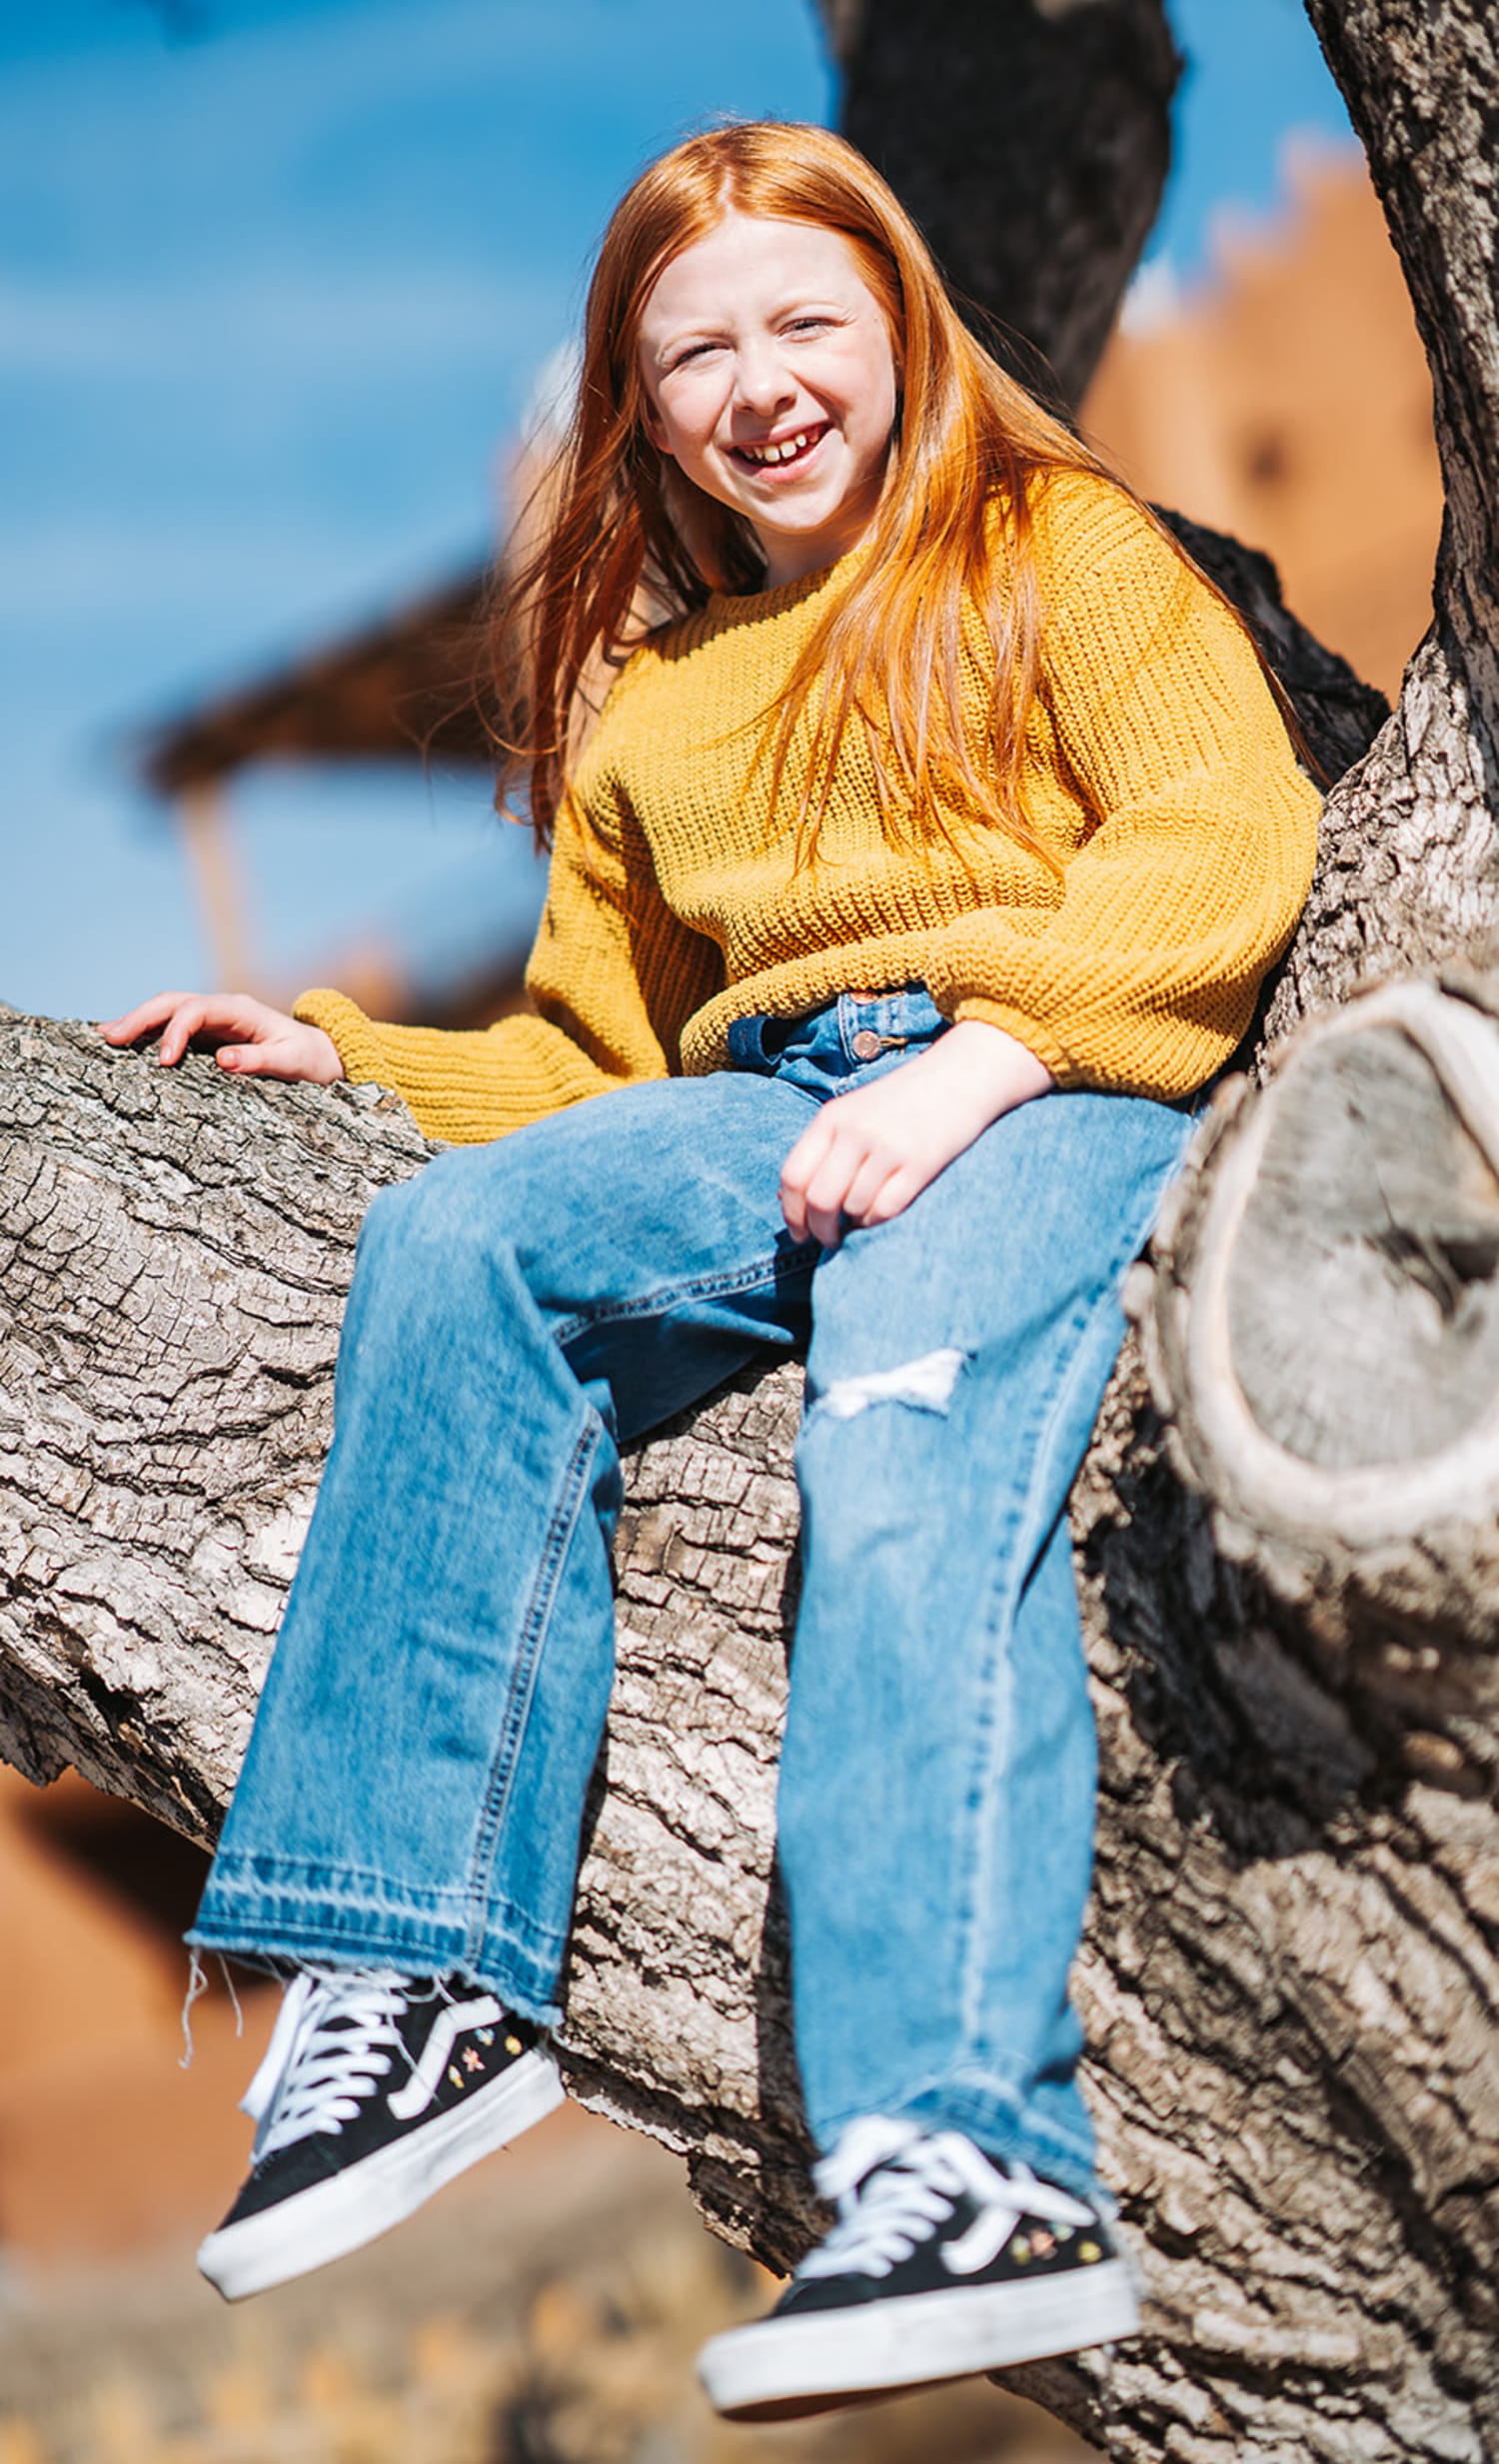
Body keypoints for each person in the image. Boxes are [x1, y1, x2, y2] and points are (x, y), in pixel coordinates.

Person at [103, 120, 1320, 2424]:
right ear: (639, 409)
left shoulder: (1056, 544)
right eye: (695, 355)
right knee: (459, 1242)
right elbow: (586, 1055)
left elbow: (1222, 832)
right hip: (768, 1102)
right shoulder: (652, 703)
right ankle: (420, 1972)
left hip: (1052, 1076)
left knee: (904, 1429)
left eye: (804, 322)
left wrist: (974, 1068)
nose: (760, 384)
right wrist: (352, 1054)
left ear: (903, 326)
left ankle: (967, 2160)